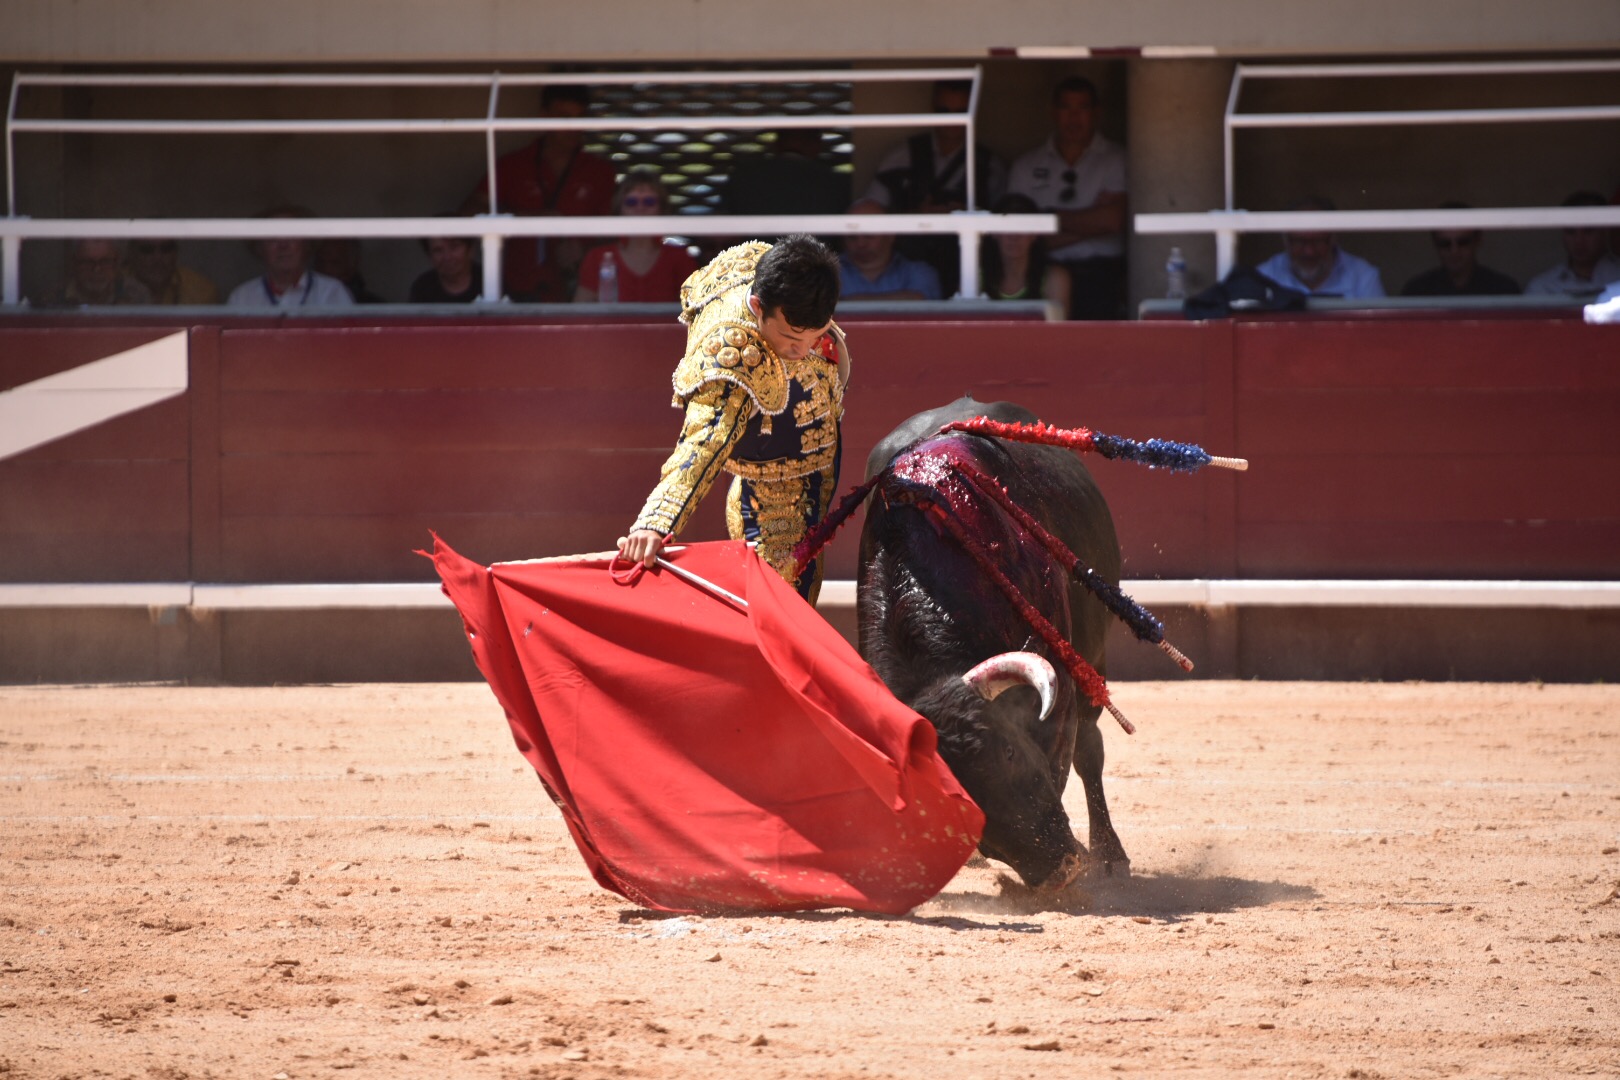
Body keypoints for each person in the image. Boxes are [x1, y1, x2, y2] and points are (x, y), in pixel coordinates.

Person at [618, 234, 847, 602]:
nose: (803, 351)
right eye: (791, 337)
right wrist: (655, 523)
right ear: (757, 307)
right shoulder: (734, 354)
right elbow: (703, 442)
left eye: (816, 336)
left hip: (798, 439)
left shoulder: (761, 265)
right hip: (781, 480)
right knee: (781, 605)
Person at [462, 84, 616, 302]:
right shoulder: (512, 165)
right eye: (564, 118)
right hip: (516, 291)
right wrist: (527, 219)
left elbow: (618, 235)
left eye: (580, 117)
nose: (574, 126)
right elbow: (468, 213)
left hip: (579, 293)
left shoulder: (601, 172)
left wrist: (584, 251)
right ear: (544, 116)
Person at [862, 79, 1006, 296]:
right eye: (944, 110)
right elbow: (868, 214)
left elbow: (1003, 224)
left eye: (960, 112)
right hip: (908, 269)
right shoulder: (902, 156)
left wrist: (964, 214)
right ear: (932, 109)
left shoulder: (989, 165)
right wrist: (919, 216)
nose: (951, 119)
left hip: (968, 267)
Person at [1006, 76, 1127, 320]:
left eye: (1082, 108)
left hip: (1102, 274)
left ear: (1096, 112)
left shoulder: (1118, 159)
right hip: (1043, 273)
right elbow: (1019, 234)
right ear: (1052, 111)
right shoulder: (1025, 166)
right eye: (1065, 108)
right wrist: (1093, 222)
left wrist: (1047, 219)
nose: (1074, 118)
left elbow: (1115, 221)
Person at [573, 172, 699, 303]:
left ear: (661, 209)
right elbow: (580, 312)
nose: (640, 208)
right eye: (631, 202)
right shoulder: (598, 258)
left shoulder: (680, 258)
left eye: (649, 202)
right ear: (619, 209)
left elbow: (696, 311)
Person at [1256, 196, 1385, 298]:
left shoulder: (1363, 278)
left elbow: (1380, 330)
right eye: (1300, 242)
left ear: (1333, 238)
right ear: (1285, 240)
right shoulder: (1265, 276)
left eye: (1317, 241)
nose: (1309, 252)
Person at [226, 206, 354, 308]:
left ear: (306, 244)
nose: (283, 245)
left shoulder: (332, 292)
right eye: (273, 238)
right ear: (260, 248)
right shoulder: (242, 297)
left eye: (291, 235)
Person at [1401, 204, 1520, 297]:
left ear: (1477, 240)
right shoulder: (1417, 291)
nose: (1454, 251)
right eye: (1445, 244)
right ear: (1435, 244)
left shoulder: (1503, 290)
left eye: (1463, 242)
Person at [979, 192, 1070, 311]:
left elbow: (1059, 328)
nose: (1014, 237)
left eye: (1023, 227)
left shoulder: (1054, 278)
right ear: (994, 233)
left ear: (1035, 233)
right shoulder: (975, 278)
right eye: (1007, 228)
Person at [837, 199, 942, 301]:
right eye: (852, 237)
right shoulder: (827, 273)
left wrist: (843, 303)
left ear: (891, 235)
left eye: (869, 236)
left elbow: (919, 303)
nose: (860, 243)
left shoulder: (919, 272)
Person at [1525, 191, 1620, 299]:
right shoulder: (1543, 287)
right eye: (1570, 232)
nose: (1579, 241)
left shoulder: (1617, 276)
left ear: (1605, 231)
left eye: (1588, 231)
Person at [49, 239, 151, 306]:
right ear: (74, 263)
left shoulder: (137, 296)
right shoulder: (54, 298)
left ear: (117, 264)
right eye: (87, 262)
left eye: (105, 262)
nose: (96, 269)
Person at [125, 238, 219, 305]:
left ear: (176, 253)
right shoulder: (116, 285)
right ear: (132, 254)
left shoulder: (201, 291)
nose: (158, 258)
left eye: (166, 249)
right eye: (147, 250)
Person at [409, 232, 482, 304]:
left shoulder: (487, 282)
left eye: (454, 247)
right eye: (438, 250)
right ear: (429, 256)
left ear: (470, 250)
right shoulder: (422, 288)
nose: (447, 257)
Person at [314, 238, 385, 303]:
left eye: (334, 263)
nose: (327, 269)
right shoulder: (307, 300)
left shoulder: (373, 307)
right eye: (321, 262)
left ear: (352, 265)